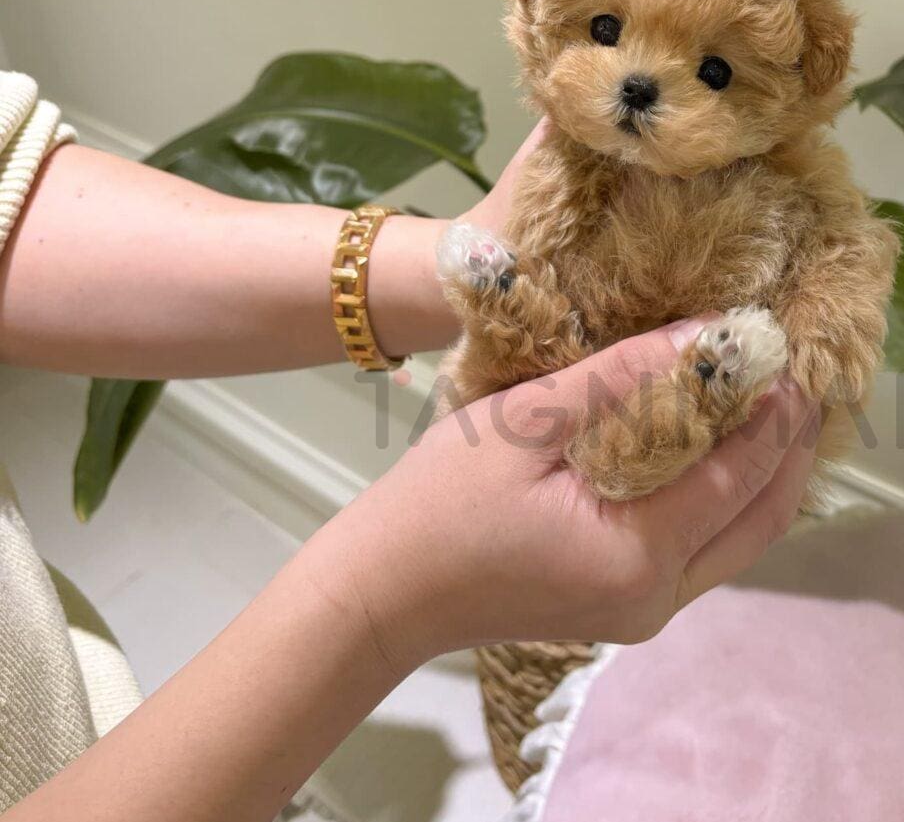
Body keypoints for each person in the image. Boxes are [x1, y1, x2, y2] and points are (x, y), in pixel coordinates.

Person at [0, 69, 818, 822]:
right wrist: (376, 608)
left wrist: (453, 253)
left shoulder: (790, 180)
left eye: (714, 67)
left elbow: (12, 184)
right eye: (607, 28)